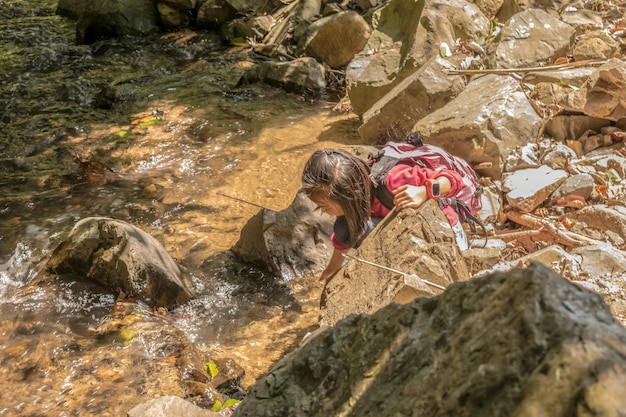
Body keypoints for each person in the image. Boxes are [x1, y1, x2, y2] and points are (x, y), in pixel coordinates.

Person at [301, 147, 469, 282]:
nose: (323, 211)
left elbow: (455, 180)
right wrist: (333, 268)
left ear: (349, 196)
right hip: (402, 223)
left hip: (445, 223)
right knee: (343, 227)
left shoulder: (395, 181)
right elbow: (342, 237)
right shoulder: (354, 200)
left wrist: (425, 190)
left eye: (325, 206)